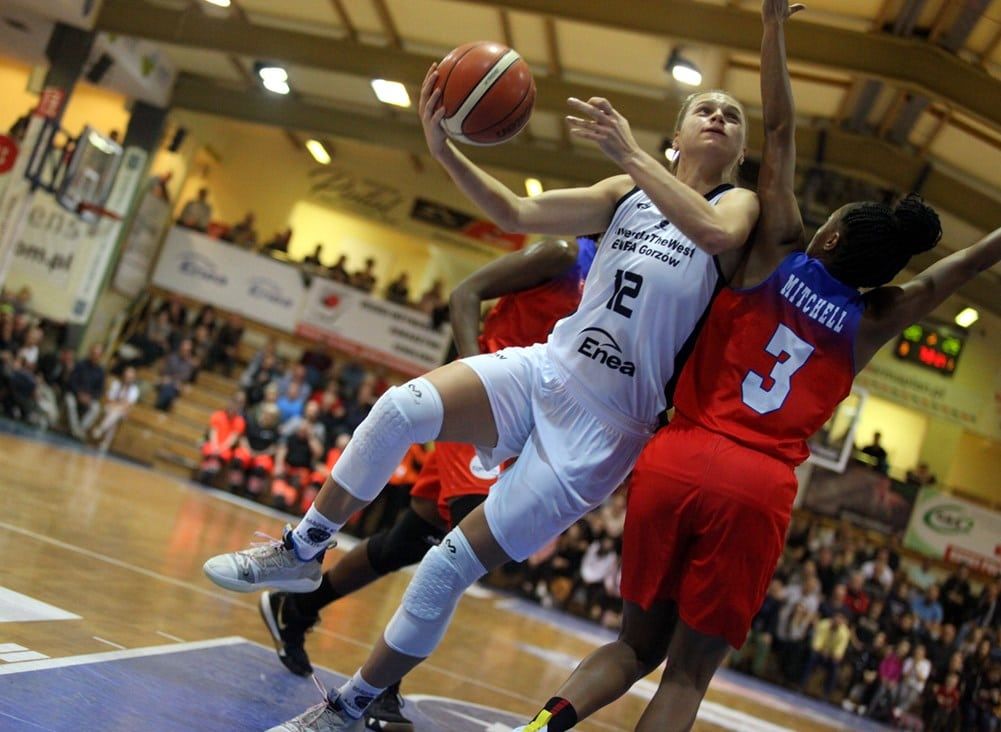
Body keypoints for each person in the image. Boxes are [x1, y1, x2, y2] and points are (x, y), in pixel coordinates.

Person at [206, 24, 762, 728]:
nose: (718, 115)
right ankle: (303, 548)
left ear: (739, 151)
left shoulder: (735, 206)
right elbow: (515, 211)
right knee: (400, 408)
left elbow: (713, 235)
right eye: (704, 108)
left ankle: (350, 706)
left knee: (444, 566)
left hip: (604, 427)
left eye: (732, 115)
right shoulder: (624, 192)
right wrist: (444, 150)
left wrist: (630, 152)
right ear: (676, 136)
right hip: (548, 367)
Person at [509, 1, 1001, 729]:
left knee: (634, 645)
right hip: (756, 485)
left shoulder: (775, 252)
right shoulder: (874, 320)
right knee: (685, 675)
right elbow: (961, 268)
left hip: (678, 456)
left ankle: (546, 723)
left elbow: (781, 131)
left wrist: (773, 28)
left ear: (828, 239)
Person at [257, 235, 596, 729]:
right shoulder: (565, 254)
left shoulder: (617, 280)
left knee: (407, 541)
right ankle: (381, 688)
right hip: (488, 410)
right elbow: (465, 293)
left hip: (520, 426)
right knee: (467, 544)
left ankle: (298, 606)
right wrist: (479, 378)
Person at [90, 367, 140, 451]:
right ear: (123, 376)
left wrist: (118, 406)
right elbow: (110, 399)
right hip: (111, 407)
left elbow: (128, 405)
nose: (128, 379)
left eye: (130, 378)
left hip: (123, 411)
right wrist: (117, 405)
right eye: (126, 376)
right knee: (114, 416)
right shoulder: (116, 384)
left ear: (133, 379)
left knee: (116, 414)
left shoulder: (134, 390)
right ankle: (105, 443)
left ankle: (101, 429)